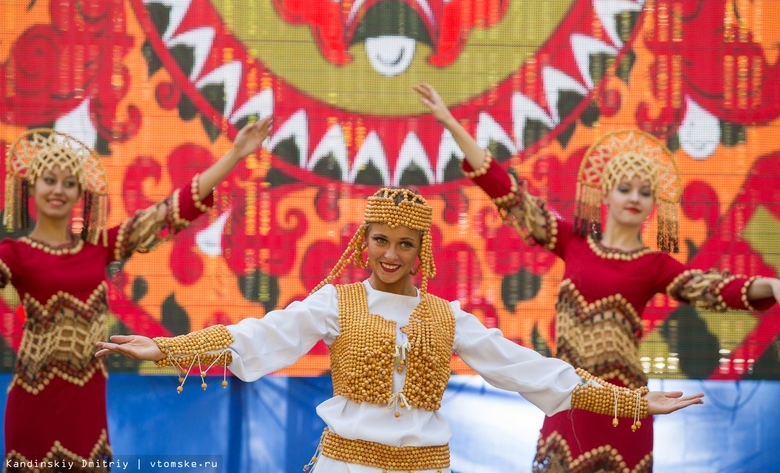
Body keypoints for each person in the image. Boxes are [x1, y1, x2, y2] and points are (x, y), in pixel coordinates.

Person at [96, 187, 704, 473]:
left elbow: (529, 370)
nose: (390, 254)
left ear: (421, 252)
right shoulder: (335, 302)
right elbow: (262, 337)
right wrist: (168, 347)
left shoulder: (446, 318)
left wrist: (631, 399)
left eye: (404, 244)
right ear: (365, 244)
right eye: (381, 241)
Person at [413, 82, 780, 472]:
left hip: (629, 404)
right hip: (571, 396)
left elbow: (711, 288)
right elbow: (511, 196)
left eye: (645, 191)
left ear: (654, 204)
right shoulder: (573, 242)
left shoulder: (654, 264)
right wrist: (452, 124)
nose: (635, 198)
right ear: (605, 196)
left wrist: (772, 286)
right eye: (625, 188)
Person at [1, 117, 271, 472]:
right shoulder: (14, 254)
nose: (58, 190)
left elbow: (167, 214)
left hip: (86, 407)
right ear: (32, 185)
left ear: (81, 191)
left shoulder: (99, 246)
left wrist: (235, 155)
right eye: (49, 180)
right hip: (32, 404)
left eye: (69, 183)